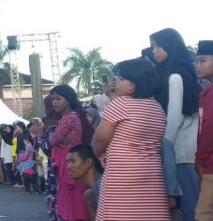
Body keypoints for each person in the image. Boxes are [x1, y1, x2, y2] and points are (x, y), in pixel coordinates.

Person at [92, 58, 170, 220]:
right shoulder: (157, 108)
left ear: (137, 82)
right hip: (152, 175)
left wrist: (99, 153)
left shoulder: (121, 104)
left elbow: (99, 139)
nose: (117, 83)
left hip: (122, 175)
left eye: (122, 79)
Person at [150, 28, 200, 221]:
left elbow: (174, 116)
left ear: (171, 46)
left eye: (158, 46)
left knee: (190, 207)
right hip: (180, 149)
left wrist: (164, 145)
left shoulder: (175, 76)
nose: (154, 51)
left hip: (182, 151)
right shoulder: (170, 73)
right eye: (153, 46)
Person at [49, 85, 94, 221]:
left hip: (68, 160)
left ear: (68, 100)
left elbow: (53, 140)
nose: (54, 102)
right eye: (53, 99)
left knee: (71, 197)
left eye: (58, 99)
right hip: (69, 159)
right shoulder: (70, 117)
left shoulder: (69, 118)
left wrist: (56, 140)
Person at [195, 40, 213, 220]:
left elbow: (208, 130)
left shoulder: (209, 93)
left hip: (211, 164)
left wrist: (199, 159)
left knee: (204, 214)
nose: (197, 65)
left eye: (202, 61)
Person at [66, 144, 103, 221]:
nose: (69, 166)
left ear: (88, 163)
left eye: (73, 161)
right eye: (68, 162)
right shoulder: (91, 192)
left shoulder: (102, 185)